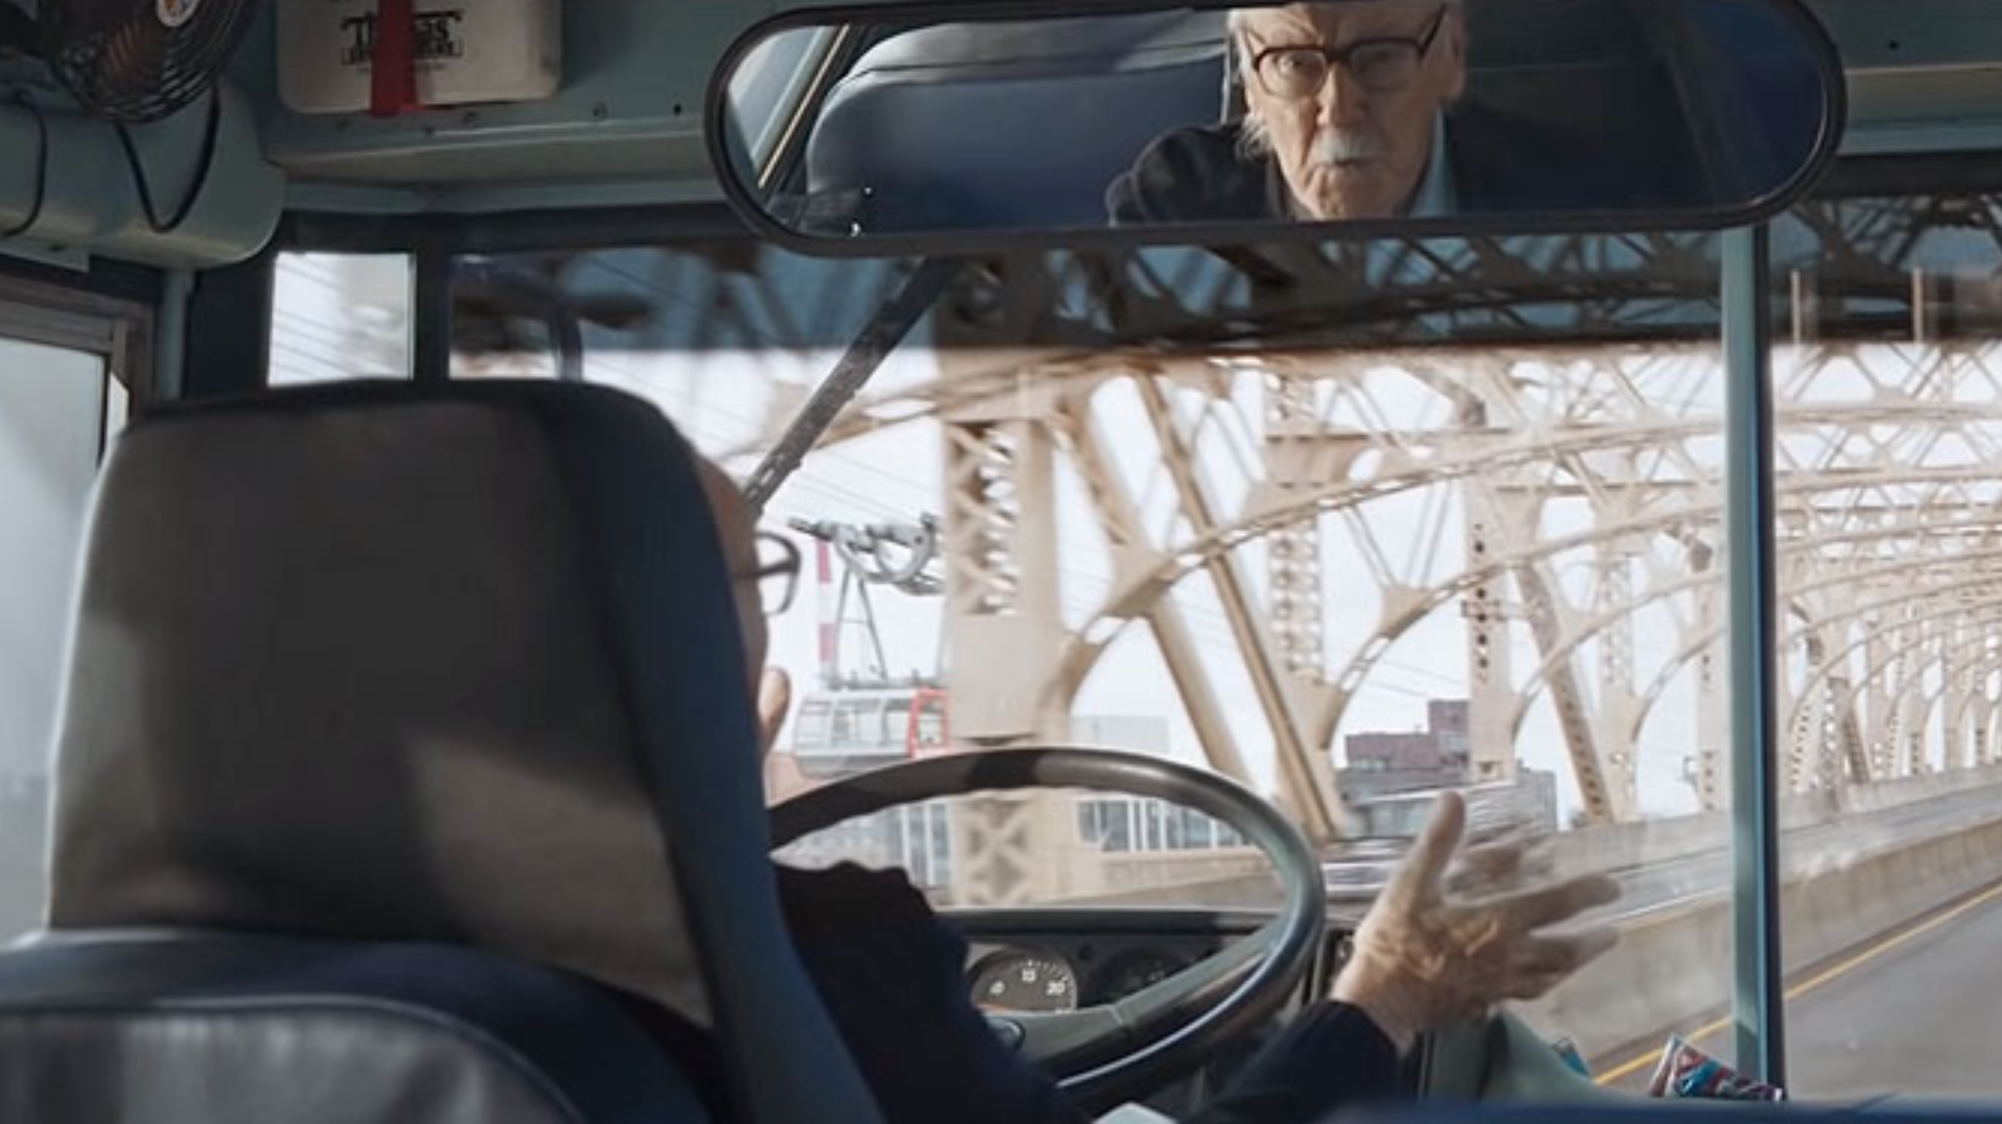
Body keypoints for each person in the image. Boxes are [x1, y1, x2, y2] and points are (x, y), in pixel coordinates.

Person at [694, 458, 1621, 1123]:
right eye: (755, 576)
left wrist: (705, 798)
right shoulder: (833, 955)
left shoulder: (637, 961)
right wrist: (1389, 992)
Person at [1104, 1, 1607, 226]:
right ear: (1251, 82)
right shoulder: (1174, 205)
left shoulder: (1572, 198)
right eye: (1295, 63)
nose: (1340, 110)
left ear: (1452, 55)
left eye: (1382, 57)